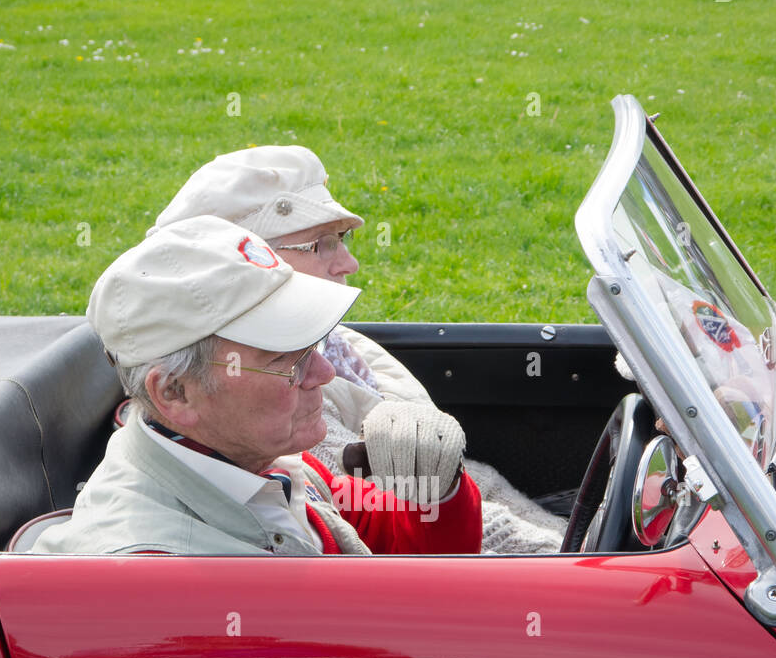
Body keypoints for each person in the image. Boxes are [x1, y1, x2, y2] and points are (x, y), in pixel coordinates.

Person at [148, 146, 567, 553]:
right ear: (253, 264)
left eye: (341, 239)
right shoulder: (270, 431)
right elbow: (402, 529)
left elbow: (411, 524)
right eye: (322, 244)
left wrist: (448, 489)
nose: (350, 263)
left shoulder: (334, 356)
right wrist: (572, 560)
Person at [32, 217, 482, 557]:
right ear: (175, 393)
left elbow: (402, 549)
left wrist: (439, 489)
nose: (325, 372)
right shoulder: (164, 576)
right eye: (287, 360)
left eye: (313, 346)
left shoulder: (249, 460)